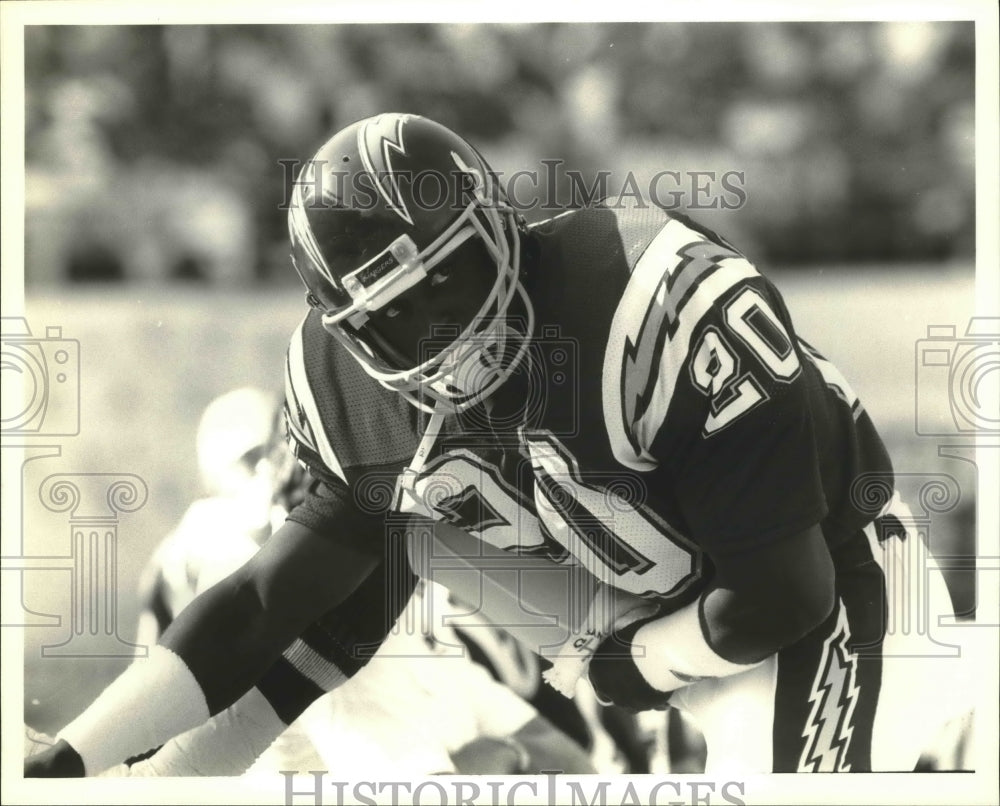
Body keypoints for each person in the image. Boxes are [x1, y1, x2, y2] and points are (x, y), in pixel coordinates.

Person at [27, 112, 968, 777]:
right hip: (638, 613)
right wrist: (78, 757)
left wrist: (629, 666)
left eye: (454, 278)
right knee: (373, 558)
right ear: (350, 336)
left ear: (502, 228)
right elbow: (267, 612)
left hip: (833, 586)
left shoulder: (653, 301)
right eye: (398, 318)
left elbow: (785, 594)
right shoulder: (358, 402)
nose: (451, 330)